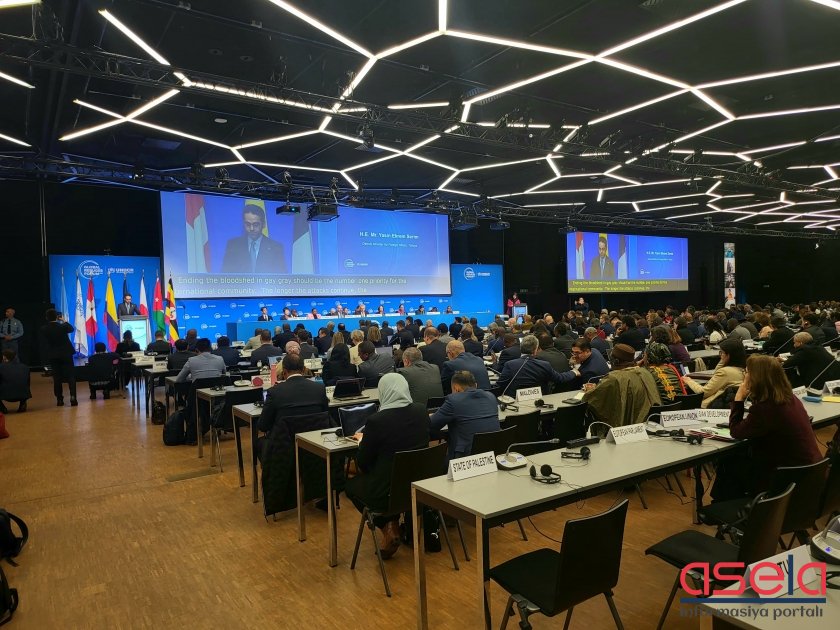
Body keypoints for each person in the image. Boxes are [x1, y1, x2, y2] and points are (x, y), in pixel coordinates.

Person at [345, 373, 430, 559]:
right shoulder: (421, 411)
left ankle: (385, 525)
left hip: (386, 491)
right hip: (420, 487)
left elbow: (363, 462)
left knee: (349, 485)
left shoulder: (377, 421)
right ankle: (392, 523)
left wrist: (363, 441)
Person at [717, 354, 823, 499]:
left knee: (728, 463)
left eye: (746, 372)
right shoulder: (790, 398)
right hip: (811, 471)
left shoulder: (765, 409)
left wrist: (739, 398)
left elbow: (736, 431)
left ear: (756, 378)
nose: (745, 376)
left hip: (786, 478)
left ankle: (730, 506)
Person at [582, 343, 661, 427]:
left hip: (627, 427)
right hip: (651, 423)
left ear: (615, 361)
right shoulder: (645, 372)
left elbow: (592, 400)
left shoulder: (614, 378)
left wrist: (590, 391)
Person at [430, 370, 500, 461]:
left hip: (464, 459)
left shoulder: (453, 400)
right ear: (475, 385)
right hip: (493, 455)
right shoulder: (491, 397)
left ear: (456, 388)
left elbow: (431, 424)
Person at [258, 353, 328, 435]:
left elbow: (263, 426)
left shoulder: (274, 392)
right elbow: (325, 416)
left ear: (284, 371)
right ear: (303, 369)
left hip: (283, 440)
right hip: (313, 439)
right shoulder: (319, 388)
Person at [497, 335, 580, 395]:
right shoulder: (544, 365)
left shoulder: (510, 365)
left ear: (520, 348)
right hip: (539, 404)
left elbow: (500, 385)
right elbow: (560, 378)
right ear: (536, 350)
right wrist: (574, 372)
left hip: (514, 406)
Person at [221, 202, 286, 273]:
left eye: (256, 224)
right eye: (248, 224)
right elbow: (225, 274)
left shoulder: (276, 248)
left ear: (263, 224)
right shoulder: (233, 245)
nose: (251, 228)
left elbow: (281, 276)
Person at [683, 337, 746, 408]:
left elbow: (703, 392)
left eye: (721, 352)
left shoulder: (725, 372)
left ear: (728, 355)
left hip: (709, 407)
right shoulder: (743, 370)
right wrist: (724, 359)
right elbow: (715, 374)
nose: (720, 355)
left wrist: (688, 381)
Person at [41, 309, 77, 406]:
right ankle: (73, 397)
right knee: (71, 376)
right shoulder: (63, 326)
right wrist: (64, 320)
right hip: (66, 354)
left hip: (53, 355)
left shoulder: (44, 328)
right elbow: (71, 329)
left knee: (57, 378)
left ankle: (59, 399)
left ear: (46, 318)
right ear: (57, 317)